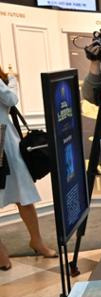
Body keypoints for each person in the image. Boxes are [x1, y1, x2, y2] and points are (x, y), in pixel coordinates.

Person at [0, 67, 57, 270]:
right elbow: (11, 98)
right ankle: (3, 251)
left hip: (5, 139)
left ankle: (35, 241)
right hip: (3, 141)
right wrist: (13, 79)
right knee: (22, 194)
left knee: (22, 195)